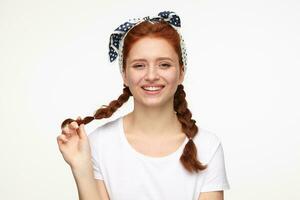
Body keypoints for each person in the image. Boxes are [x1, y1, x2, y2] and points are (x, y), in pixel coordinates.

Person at [57, 11, 230, 200]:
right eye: (139, 65)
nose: (151, 75)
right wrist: (81, 168)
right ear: (124, 74)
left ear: (181, 72)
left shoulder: (207, 146)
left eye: (164, 65)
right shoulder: (99, 143)